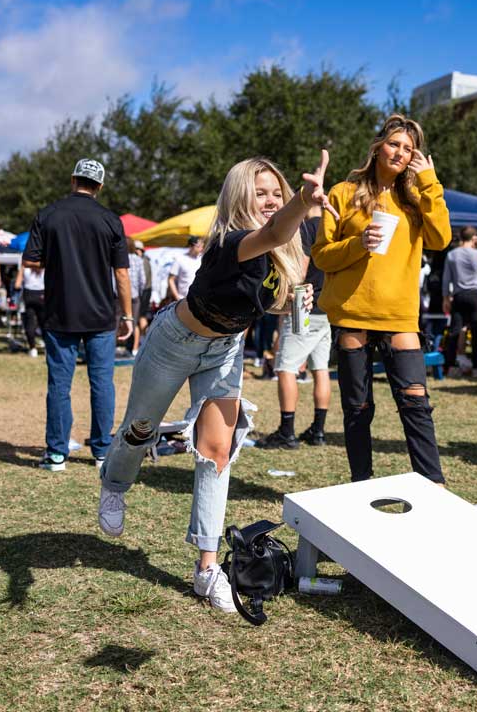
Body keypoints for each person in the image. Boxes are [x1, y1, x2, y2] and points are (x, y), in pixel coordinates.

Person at [98, 152, 329, 613]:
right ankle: (115, 481)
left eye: (275, 193)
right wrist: (303, 200)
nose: (269, 200)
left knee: (217, 451)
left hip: (225, 349)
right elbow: (275, 231)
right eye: (259, 193)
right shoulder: (231, 240)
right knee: (140, 428)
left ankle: (206, 569)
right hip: (174, 342)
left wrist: (299, 294)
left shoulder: (287, 247)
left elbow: (273, 290)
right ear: (240, 197)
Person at [313, 114, 452, 485]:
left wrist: (430, 181)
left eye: (409, 149)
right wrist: (359, 244)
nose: (401, 153)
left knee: (415, 401)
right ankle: (362, 483)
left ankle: (433, 484)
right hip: (353, 312)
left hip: (399, 315)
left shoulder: (417, 197)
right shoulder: (343, 193)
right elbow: (322, 255)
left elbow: (441, 240)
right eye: (394, 144)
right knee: (357, 408)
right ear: (378, 147)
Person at [23, 158, 133, 472]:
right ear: (99, 186)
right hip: (100, 315)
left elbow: (30, 261)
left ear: (73, 180)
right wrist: (126, 316)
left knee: (59, 385)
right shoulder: (111, 220)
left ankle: (57, 454)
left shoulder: (48, 215)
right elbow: (122, 275)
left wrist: (57, 260)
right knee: (102, 384)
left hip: (60, 312)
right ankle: (101, 452)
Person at [261, 207, 333, 449]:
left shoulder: (308, 227)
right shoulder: (335, 228)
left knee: (285, 368)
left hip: (305, 305)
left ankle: (286, 432)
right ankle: (318, 431)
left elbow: (301, 271)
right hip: (327, 307)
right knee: (320, 368)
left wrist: (286, 296)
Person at [442, 226, 477, 377]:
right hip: (474, 294)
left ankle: (450, 366)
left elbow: (446, 278)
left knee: (455, 331)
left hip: (459, 294)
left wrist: (445, 297)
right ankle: (476, 366)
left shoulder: (452, 255)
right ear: (474, 237)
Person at [16, 263, 47, 357]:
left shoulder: (25, 267)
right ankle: (47, 347)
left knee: (30, 322)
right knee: (44, 323)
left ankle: (32, 348)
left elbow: (17, 285)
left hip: (28, 294)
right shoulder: (44, 266)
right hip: (42, 294)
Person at [123, 238, 147, 356]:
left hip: (119, 296)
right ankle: (134, 348)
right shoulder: (138, 260)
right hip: (134, 296)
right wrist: (139, 292)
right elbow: (142, 280)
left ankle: (112, 349)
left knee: (116, 322)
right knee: (134, 322)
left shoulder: (118, 258)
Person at [168, 236, 204, 301]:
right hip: (183, 299)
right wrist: (177, 297)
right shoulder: (180, 259)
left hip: (199, 299)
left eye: (202, 246)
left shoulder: (202, 259)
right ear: (190, 247)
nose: (201, 249)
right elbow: (171, 279)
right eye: (198, 246)